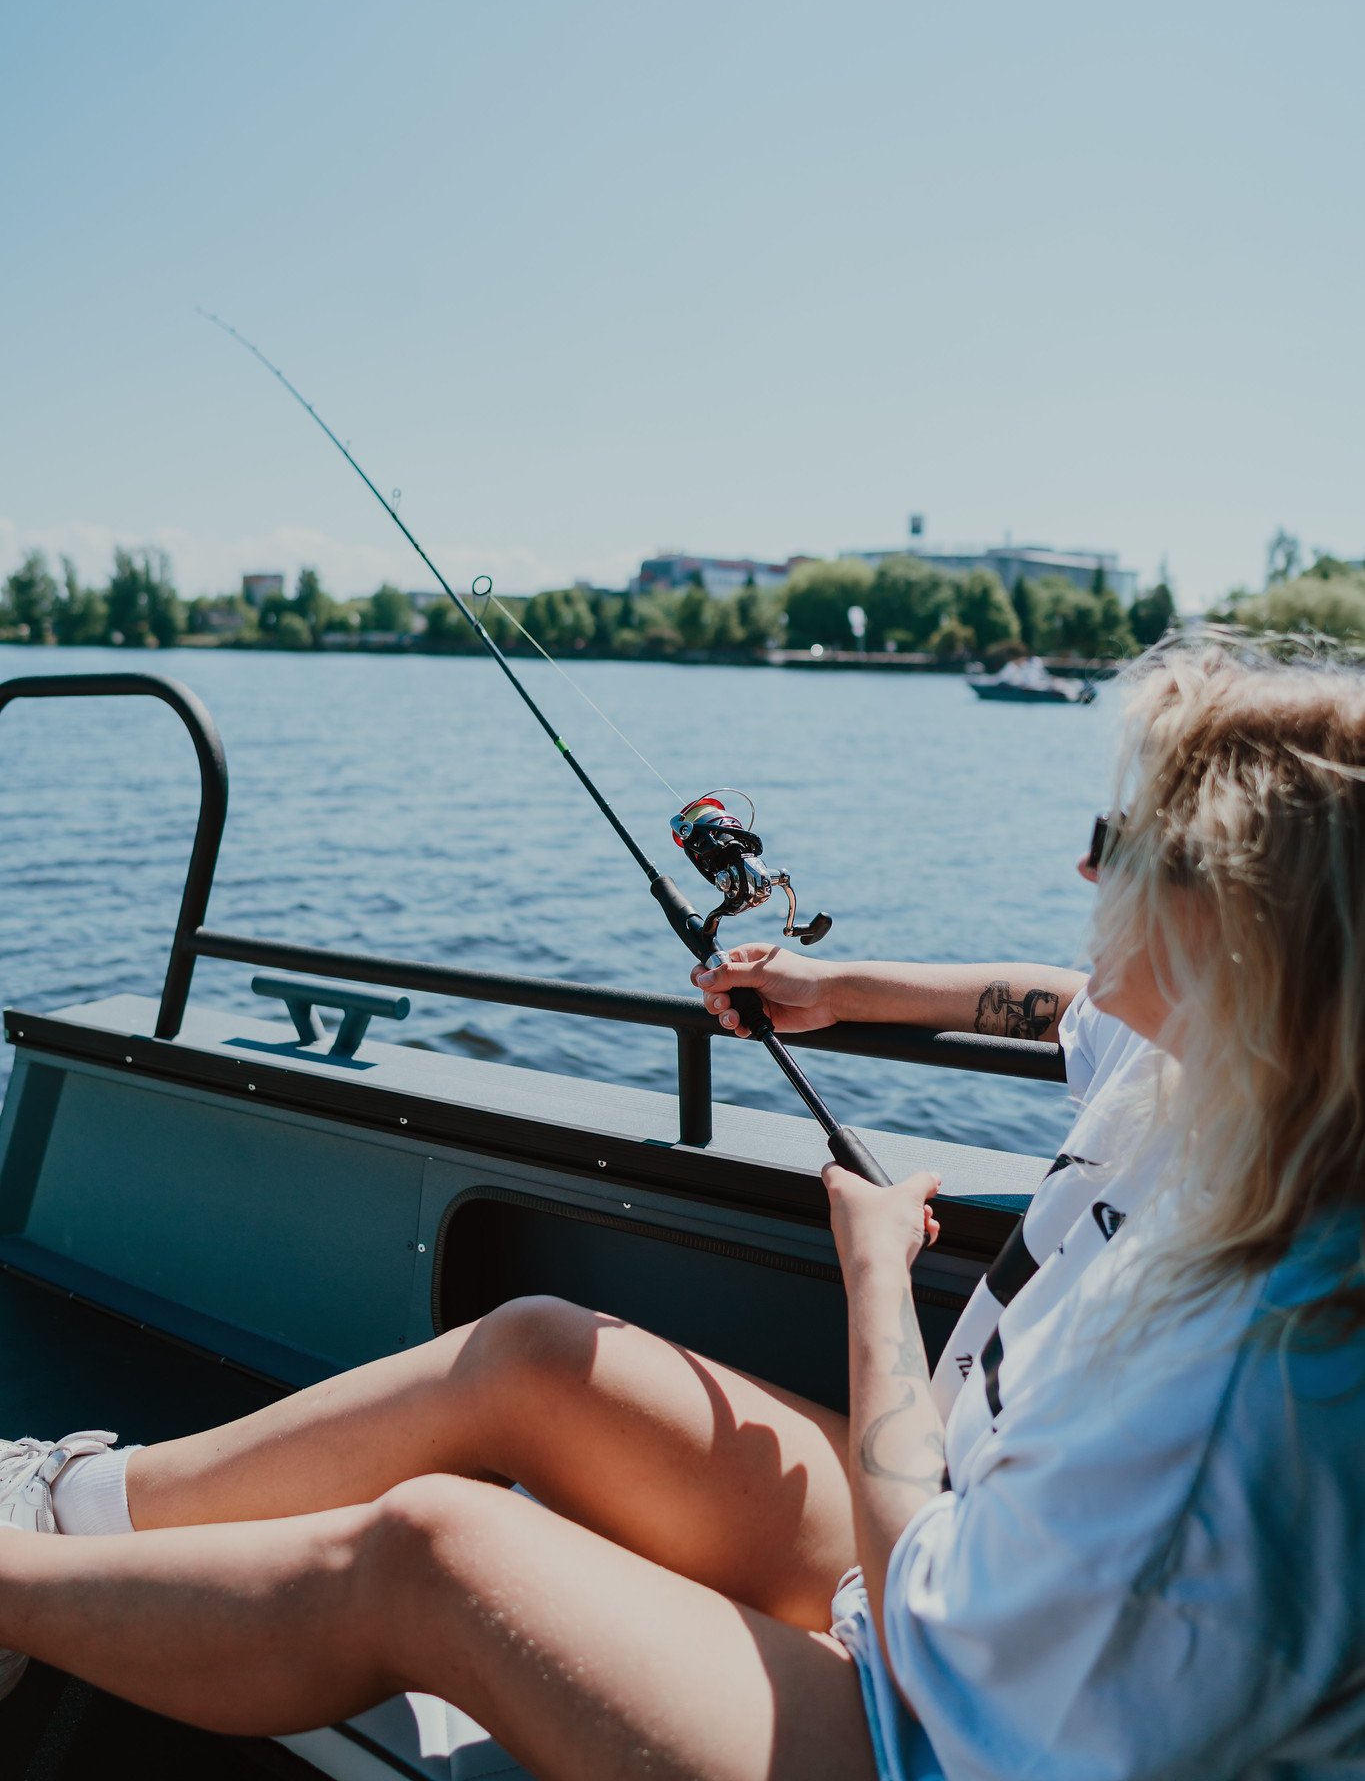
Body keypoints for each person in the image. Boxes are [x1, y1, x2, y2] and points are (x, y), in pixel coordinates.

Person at [3, 644, 1365, 1780]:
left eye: (1118, 846)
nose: (1081, 872)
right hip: (976, 1577)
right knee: (537, 1351)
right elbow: (1055, 1001)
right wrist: (850, 991)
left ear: (1231, 937)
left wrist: (876, 1276)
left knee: (430, 1554)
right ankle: (73, 1505)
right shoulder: (1226, 1060)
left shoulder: (1247, 1385)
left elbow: (926, 1597)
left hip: (949, 1722)